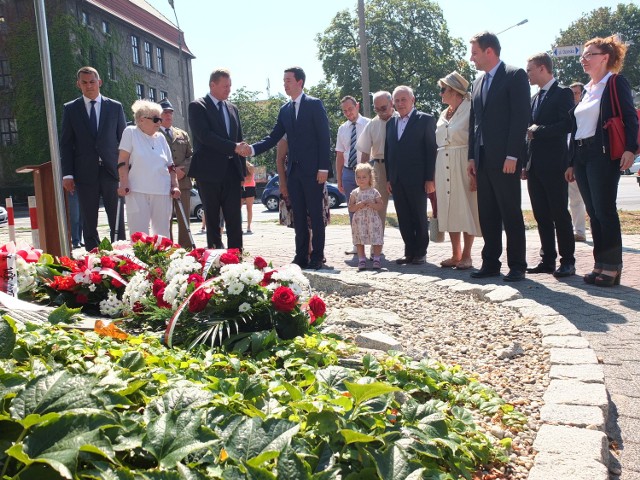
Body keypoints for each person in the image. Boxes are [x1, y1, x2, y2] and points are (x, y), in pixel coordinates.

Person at [566, 36, 638, 287]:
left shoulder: (615, 82)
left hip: (603, 152)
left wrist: (631, 148)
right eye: (582, 55)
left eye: (589, 54)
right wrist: (572, 161)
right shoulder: (586, 89)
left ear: (605, 58)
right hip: (582, 154)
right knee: (593, 212)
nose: (583, 59)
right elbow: (578, 127)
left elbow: (630, 117)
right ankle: (600, 264)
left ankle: (613, 267)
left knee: (605, 210)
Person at [250, 67, 332, 270]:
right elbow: (273, 137)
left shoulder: (314, 104)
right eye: (283, 80)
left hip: (314, 172)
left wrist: (324, 168)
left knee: (315, 215)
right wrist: (252, 149)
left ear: (300, 82)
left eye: (288, 80)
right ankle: (301, 256)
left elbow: (324, 137)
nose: (285, 84)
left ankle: (317, 257)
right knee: (299, 217)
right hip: (293, 173)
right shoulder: (284, 110)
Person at [467, 32, 530, 282]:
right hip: (482, 159)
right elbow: (474, 122)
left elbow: (520, 117)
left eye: (474, 52)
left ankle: (517, 265)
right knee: (488, 214)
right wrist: (472, 157)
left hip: (506, 159)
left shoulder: (515, 76)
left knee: (510, 212)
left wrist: (513, 154)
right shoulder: (477, 82)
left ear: (489, 51)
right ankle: (490, 263)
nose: (471, 58)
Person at [60, 66, 126, 250]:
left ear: (99, 82)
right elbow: (66, 144)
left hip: (111, 171)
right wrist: (68, 175)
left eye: (92, 82)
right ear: (78, 84)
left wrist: (125, 172)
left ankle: (121, 255)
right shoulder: (71, 109)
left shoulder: (115, 107)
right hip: (84, 172)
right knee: (89, 218)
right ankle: (92, 260)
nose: (89, 86)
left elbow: (123, 141)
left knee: (117, 216)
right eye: (84, 82)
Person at [524, 53, 576, 278]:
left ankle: (568, 261)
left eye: (530, 70)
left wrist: (539, 131)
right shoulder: (535, 98)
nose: (528, 74)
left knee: (559, 214)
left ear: (543, 68)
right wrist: (526, 163)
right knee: (541, 215)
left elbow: (567, 124)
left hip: (555, 165)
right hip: (535, 166)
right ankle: (547, 260)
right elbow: (528, 134)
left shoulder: (562, 93)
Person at [188, 68, 247, 250]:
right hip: (209, 173)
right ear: (212, 85)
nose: (228, 90)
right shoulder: (198, 106)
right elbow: (205, 136)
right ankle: (215, 259)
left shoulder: (232, 108)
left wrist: (242, 172)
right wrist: (233, 147)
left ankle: (236, 258)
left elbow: (239, 138)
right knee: (212, 219)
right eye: (224, 86)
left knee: (234, 220)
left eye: (230, 86)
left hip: (232, 171)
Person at [384, 85, 437, 265]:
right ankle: (409, 251)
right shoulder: (391, 122)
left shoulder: (425, 120)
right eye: (397, 100)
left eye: (403, 99)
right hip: (397, 179)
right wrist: (388, 178)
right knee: (403, 217)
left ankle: (420, 252)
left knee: (418, 216)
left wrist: (430, 178)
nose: (400, 103)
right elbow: (388, 151)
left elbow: (431, 150)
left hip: (418, 179)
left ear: (412, 100)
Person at [433, 72, 481, 270]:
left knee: (466, 206)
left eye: (443, 89)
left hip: (463, 160)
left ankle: (467, 255)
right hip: (443, 160)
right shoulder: (444, 113)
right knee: (449, 208)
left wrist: (474, 165)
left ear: (453, 90)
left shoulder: (471, 109)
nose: (441, 93)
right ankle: (456, 254)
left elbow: (475, 138)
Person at [116, 100, 181, 237]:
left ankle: (162, 258)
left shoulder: (161, 138)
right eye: (156, 119)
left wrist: (175, 185)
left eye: (160, 119)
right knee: (139, 234)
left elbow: (170, 165)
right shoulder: (131, 133)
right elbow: (123, 160)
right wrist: (123, 183)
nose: (159, 123)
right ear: (141, 120)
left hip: (162, 190)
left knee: (162, 234)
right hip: (137, 190)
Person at [356, 91, 396, 239]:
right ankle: (376, 245)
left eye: (383, 108)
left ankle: (412, 250)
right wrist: (363, 176)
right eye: (376, 109)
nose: (380, 112)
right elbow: (365, 152)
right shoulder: (372, 124)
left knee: (406, 207)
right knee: (378, 207)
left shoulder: (401, 119)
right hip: (379, 167)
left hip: (400, 166)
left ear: (391, 103)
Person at [335, 96, 370, 255]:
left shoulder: (370, 124)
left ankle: (375, 244)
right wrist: (339, 178)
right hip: (349, 172)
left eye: (350, 108)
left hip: (368, 172)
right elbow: (340, 155)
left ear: (357, 105)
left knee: (371, 207)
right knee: (353, 209)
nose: (348, 113)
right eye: (345, 111)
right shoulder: (342, 129)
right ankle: (357, 244)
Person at [159, 99, 193, 247]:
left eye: (170, 112)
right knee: (165, 221)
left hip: (183, 182)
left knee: (184, 219)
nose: (168, 115)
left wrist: (182, 170)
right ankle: (167, 250)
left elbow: (191, 155)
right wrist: (171, 171)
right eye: (165, 112)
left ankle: (184, 251)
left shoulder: (182, 134)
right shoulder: (153, 135)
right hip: (162, 183)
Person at [349, 163, 384, 270]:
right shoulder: (354, 193)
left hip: (372, 220)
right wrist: (359, 205)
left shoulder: (374, 192)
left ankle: (377, 258)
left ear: (370, 177)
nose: (361, 179)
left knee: (376, 239)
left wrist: (372, 205)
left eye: (364, 177)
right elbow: (351, 208)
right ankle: (361, 259)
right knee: (360, 240)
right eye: (358, 177)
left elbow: (380, 205)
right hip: (359, 221)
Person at [568, 82, 588, 242]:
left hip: (588, 159)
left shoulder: (587, 110)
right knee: (574, 199)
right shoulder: (568, 112)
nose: (574, 96)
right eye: (571, 93)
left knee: (594, 199)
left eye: (576, 93)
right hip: (571, 161)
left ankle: (600, 231)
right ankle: (579, 231)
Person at [241, 160, 256, 233]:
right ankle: (238, 226)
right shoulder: (239, 165)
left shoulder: (251, 166)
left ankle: (249, 226)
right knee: (237, 208)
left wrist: (242, 180)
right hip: (241, 188)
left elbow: (249, 180)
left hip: (250, 188)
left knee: (249, 208)